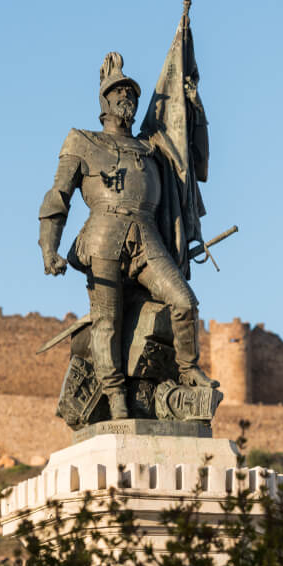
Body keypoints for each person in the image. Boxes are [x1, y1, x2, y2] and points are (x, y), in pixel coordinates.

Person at [38, 52, 218, 419]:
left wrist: (190, 102)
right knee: (107, 322)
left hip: (146, 234)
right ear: (104, 102)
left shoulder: (152, 148)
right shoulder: (81, 141)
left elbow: (190, 155)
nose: (128, 97)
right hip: (102, 236)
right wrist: (49, 248)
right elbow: (57, 197)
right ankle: (116, 397)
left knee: (184, 301)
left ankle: (188, 368)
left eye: (132, 93)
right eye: (120, 92)